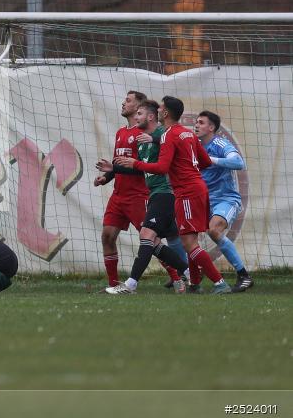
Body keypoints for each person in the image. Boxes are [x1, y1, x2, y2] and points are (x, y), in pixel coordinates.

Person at [115, 96, 231, 294]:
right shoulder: (187, 134)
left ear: (165, 113)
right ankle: (194, 282)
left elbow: (161, 167)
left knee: (188, 242)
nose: (158, 111)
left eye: (160, 108)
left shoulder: (168, 135)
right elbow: (205, 162)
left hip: (186, 191)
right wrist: (187, 168)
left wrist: (135, 164)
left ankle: (220, 283)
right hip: (197, 188)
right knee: (189, 240)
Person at [98, 100, 189, 294]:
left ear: (147, 114)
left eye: (130, 101)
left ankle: (177, 276)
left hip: (145, 195)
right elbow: (126, 164)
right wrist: (109, 174)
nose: (123, 103)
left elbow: (167, 149)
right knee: (109, 236)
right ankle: (116, 284)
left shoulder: (157, 134)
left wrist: (153, 142)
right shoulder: (125, 134)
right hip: (120, 195)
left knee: (150, 239)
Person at [195, 111, 253, 292]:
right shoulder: (194, 145)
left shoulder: (219, 143)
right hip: (203, 200)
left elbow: (238, 162)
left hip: (226, 199)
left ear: (211, 128)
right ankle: (189, 275)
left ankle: (244, 275)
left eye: (201, 122)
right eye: (196, 122)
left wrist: (210, 159)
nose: (196, 125)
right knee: (185, 235)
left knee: (214, 230)